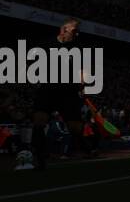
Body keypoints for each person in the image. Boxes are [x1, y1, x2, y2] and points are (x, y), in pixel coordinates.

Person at [26, 18, 86, 171]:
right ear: (63, 30)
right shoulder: (45, 45)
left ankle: (85, 150)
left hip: (68, 92)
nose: (77, 34)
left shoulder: (77, 48)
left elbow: (82, 69)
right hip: (48, 89)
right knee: (39, 122)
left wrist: (82, 82)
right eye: (74, 31)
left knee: (75, 129)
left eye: (78, 31)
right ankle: (40, 159)